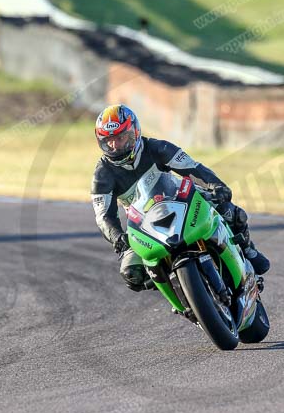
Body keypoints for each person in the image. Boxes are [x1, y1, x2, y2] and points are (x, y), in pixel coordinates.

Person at [90, 104, 270, 292]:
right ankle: (181, 297)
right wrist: (118, 238)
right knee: (131, 272)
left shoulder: (158, 148)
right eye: (108, 141)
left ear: (134, 132)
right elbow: (103, 216)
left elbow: (193, 168)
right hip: (142, 223)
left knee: (230, 211)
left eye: (120, 138)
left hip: (179, 200)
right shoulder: (102, 175)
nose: (115, 145)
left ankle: (248, 250)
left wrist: (215, 185)